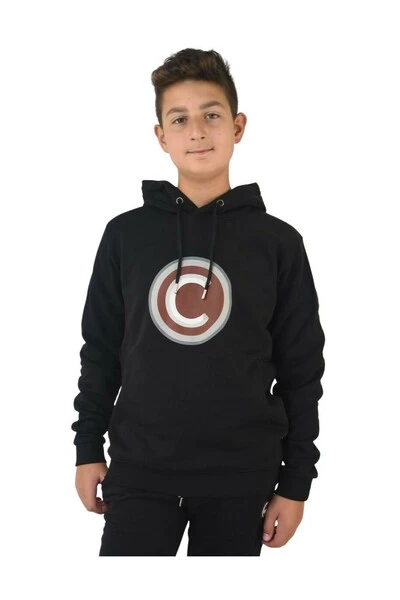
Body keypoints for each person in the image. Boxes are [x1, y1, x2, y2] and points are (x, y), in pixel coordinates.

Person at [71, 47, 326, 556]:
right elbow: (100, 350)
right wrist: (87, 448)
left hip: (241, 477)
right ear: (161, 136)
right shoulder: (125, 236)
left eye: (211, 115)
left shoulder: (278, 243)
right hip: (140, 471)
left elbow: (302, 370)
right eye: (179, 119)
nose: (197, 132)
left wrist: (296, 482)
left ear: (237, 126)